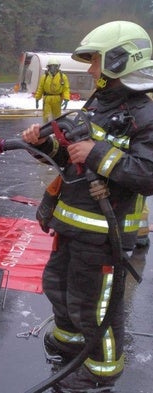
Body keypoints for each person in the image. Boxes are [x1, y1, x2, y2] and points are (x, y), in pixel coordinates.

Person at [21, 21, 153, 392]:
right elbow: (72, 162)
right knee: (58, 287)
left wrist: (99, 154)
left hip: (104, 235)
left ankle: (101, 370)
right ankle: (71, 342)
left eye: (96, 61)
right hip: (73, 226)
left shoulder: (145, 115)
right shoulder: (98, 105)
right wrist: (44, 146)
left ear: (120, 61)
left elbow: (148, 173)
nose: (91, 70)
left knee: (96, 306)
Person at [34, 57, 71, 122]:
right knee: (46, 116)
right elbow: (41, 88)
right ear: (48, 67)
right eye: (51, 66)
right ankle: (46, 129)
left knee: (57, 117)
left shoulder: (63, 77)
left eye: (55, 66)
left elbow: (66, 89)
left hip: (57, 99)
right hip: (47, 99)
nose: (53, 68)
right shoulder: (44, 77)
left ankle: (56, 129)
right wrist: (37, 98)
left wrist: (66, 99)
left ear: (58, 67)